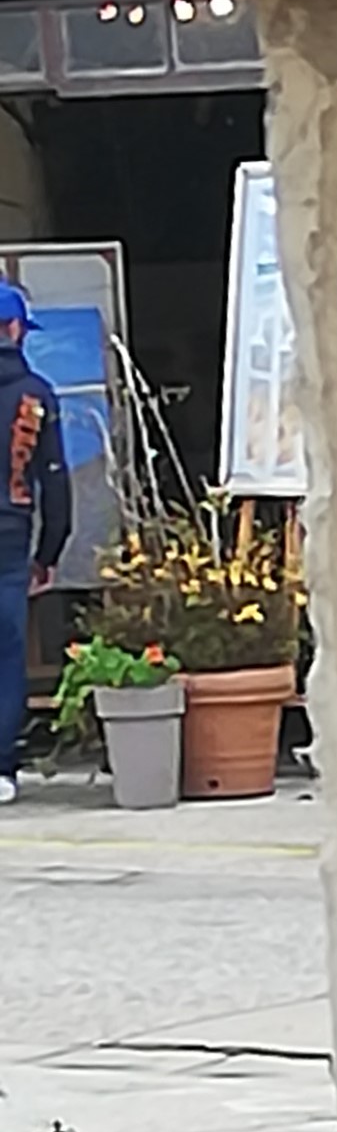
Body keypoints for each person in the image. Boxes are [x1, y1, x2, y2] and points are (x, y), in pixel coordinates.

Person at [0, 281, 74, 805]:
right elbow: (56, 481)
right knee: (7, 651)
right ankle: (1, 767)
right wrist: (49, 553)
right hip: (9, 535)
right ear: (15, 328)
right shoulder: (37, 395)